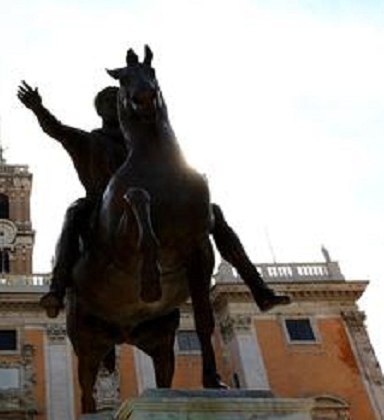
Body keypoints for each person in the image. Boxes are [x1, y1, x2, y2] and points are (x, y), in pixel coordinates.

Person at [17, 81, 290, 318]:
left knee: (213, 212)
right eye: (108, 102)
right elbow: (56, 129)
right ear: (100, 110)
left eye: (117, 100)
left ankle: (258, 288)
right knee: (74, 213)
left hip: (154, 205)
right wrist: (37, 107)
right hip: (102, 206)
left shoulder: (143, 142)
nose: (114, 105)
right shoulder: (89, 141)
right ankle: (58, 287)